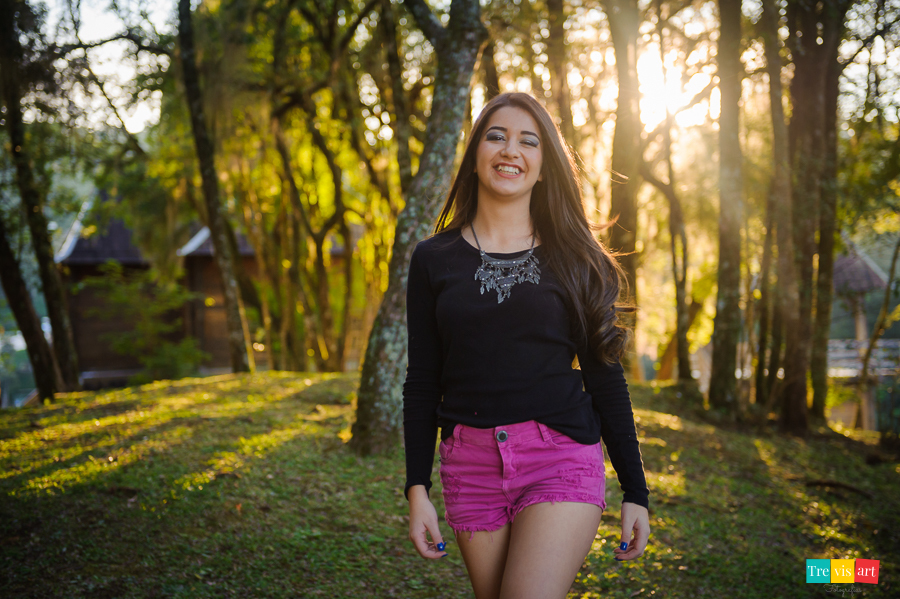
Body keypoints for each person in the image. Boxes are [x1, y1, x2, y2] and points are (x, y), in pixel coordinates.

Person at [402, 92, 650, 599]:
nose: (509, 149)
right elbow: (423, 380)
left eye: (527, 141)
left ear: (543, 166)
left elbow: (604, 375)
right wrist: (416, 490)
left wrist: (636, 490)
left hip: (559, 456)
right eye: (496, 136)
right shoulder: (433, 259)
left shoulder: (576, 258)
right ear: (475, 156)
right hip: (469, 465)